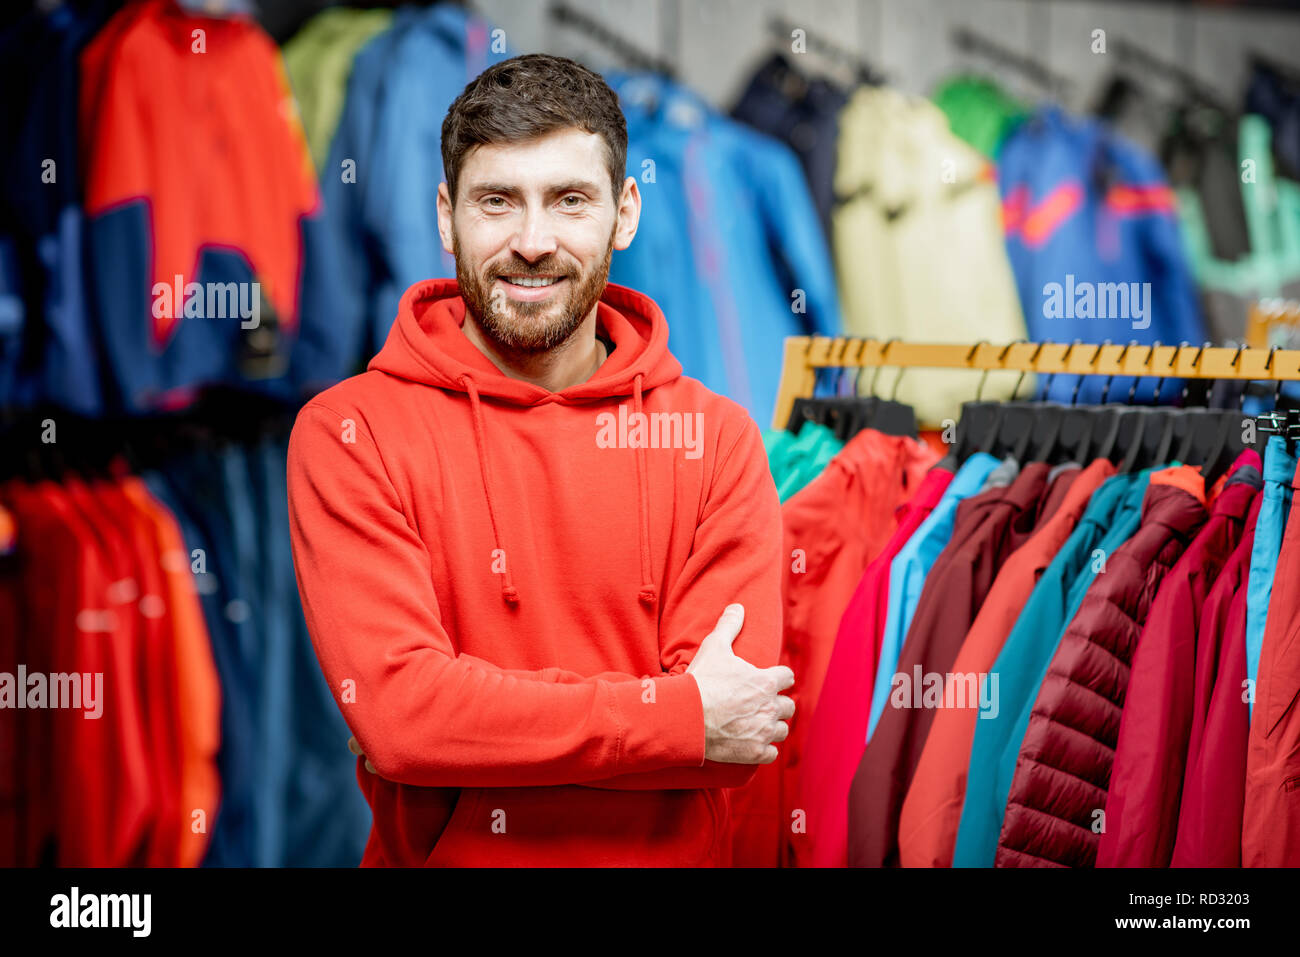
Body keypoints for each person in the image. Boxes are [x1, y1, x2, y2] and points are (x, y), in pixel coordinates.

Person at [286, 54, 793, 867]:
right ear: (447, 216)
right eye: (497, 201)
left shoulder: (717, 437)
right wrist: (675, 716)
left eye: (569, 201)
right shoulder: (350, 433)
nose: (532, 242)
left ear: (624, 214)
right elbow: (403, 718)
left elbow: (732, 744)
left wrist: (478, 724)